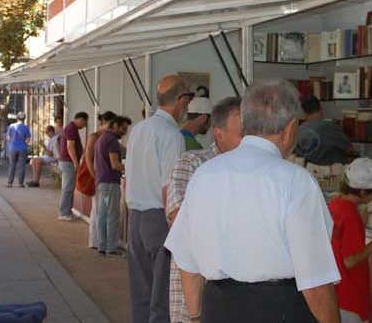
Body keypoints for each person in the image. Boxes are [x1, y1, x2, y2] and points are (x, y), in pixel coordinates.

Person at [165, 81, 341, 323]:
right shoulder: (296, 181)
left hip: (217, 307)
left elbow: (187, 263)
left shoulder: (204, 175)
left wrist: (196, 317)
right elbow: (316, 282)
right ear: (291, 128)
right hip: (278, 310)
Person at [166, 97, 243, 323]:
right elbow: (179, 218)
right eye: (242, 134)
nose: (250, 141)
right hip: (196, 298)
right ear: (219, 134)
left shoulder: (256, 172)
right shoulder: (191, 163)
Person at [125, 75, 193, 323]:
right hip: (159, 219)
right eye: (188, 100)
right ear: (182, 100)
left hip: (135, 217)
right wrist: (179, 229)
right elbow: (169, 189)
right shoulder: (172, 136)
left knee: (140, 290)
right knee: (162, 293)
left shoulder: (138, 130)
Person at [329, 158, 372, 323]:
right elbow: (349, 261)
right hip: (350, 297)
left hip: (335, 294)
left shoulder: (336, 205)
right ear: (363, 193)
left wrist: (360, 224)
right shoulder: (350, 216)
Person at [95, 115, 132, 257]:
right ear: (115, 125)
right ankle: (111, 248)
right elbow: (115, 164)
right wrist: (130, 167)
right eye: (123, 128)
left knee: (102, 216)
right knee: (112, 216)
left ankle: (102, 246)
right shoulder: (111, 141)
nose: (124, 132)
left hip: (102, 181)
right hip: (110, 182)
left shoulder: (102, 138)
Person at [85, 111, 118, 249]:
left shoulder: (107, 137)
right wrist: (95, 176)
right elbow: (88, 158)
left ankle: (100, 242)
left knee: (101, 212)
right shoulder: (95, 137)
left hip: (100, 177)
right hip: (99, 177)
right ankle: (96, 241)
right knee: (98, 212)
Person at [295, 95, 354, 165]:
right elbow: (349, 148)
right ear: (321, 109)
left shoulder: (299, 129)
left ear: (305, 113)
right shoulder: (329, 126)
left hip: (306, 171)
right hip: (329, 172)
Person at [58, 112, 89, 221]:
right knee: (68, 188)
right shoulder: (71, 128)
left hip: (66, 161)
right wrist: (76, 162)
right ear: (80, 119)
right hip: (68, 162)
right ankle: (64, 213)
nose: (84, 126)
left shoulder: (71, 128)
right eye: (84, 123)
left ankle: (67, 211)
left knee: (69, 187)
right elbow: (70, 146)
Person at [6, 112, 31, 188]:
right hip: (23, 148)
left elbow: (8, 138)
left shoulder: (11, 126)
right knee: (22, 166)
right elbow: (28, 140)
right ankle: (20, 183)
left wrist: (12, 142)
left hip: (13, 148)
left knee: (12, 165)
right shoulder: (26, 127)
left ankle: (9, 183)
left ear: (17, 118)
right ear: (24, 119)